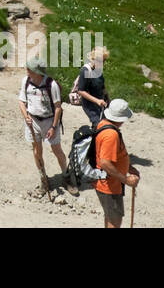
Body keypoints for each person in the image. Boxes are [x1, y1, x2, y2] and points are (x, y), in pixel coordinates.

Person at [19, 54, 78, 196]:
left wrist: (53, 126)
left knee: (57, 150)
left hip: (49, 121)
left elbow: (58, 107)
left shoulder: (51, 85)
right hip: (33, 121)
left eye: (30, 69)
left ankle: (66, 177)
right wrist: (26, 116)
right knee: (37, 152)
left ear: (37, 71)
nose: (27, 71)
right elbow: (22, 102)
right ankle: (43, 180)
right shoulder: (26, 81)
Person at [94, 99, 138, 227]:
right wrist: (125, 179)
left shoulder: (102, 124)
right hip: (109, 186)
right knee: (114, 221)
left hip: (105, 182)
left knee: (110, 217)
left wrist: (128, 167)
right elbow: (105, 163)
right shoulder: (111, 135)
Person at [73, 46, 110, 128]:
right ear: (94, 59)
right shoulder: (86, 71)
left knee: (105, 124)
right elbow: (81, 91)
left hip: (101, 103)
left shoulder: (98, 69)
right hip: (90, 104)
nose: (102, 63)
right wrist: (97, 101)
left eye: (104, 61)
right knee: (99, 125)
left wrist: (108, 98)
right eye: (100, 61)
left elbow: (102, 86)